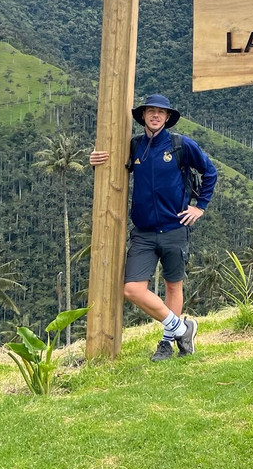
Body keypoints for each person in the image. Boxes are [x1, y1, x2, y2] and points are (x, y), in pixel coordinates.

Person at [90, 93, 218, 361]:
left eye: (161, 112)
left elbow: (210, 171)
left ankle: (167, 343)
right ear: (143, 116)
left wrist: (200, 207)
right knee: (132, 289)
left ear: (168, 117)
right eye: (151, 111)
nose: (156, 115)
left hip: (175, 228)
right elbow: (112, 166)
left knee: (173, 286)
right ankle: (182, 329)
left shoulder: (181, 145)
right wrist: (96, 161)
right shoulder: (135, 146)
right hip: (144, 233)